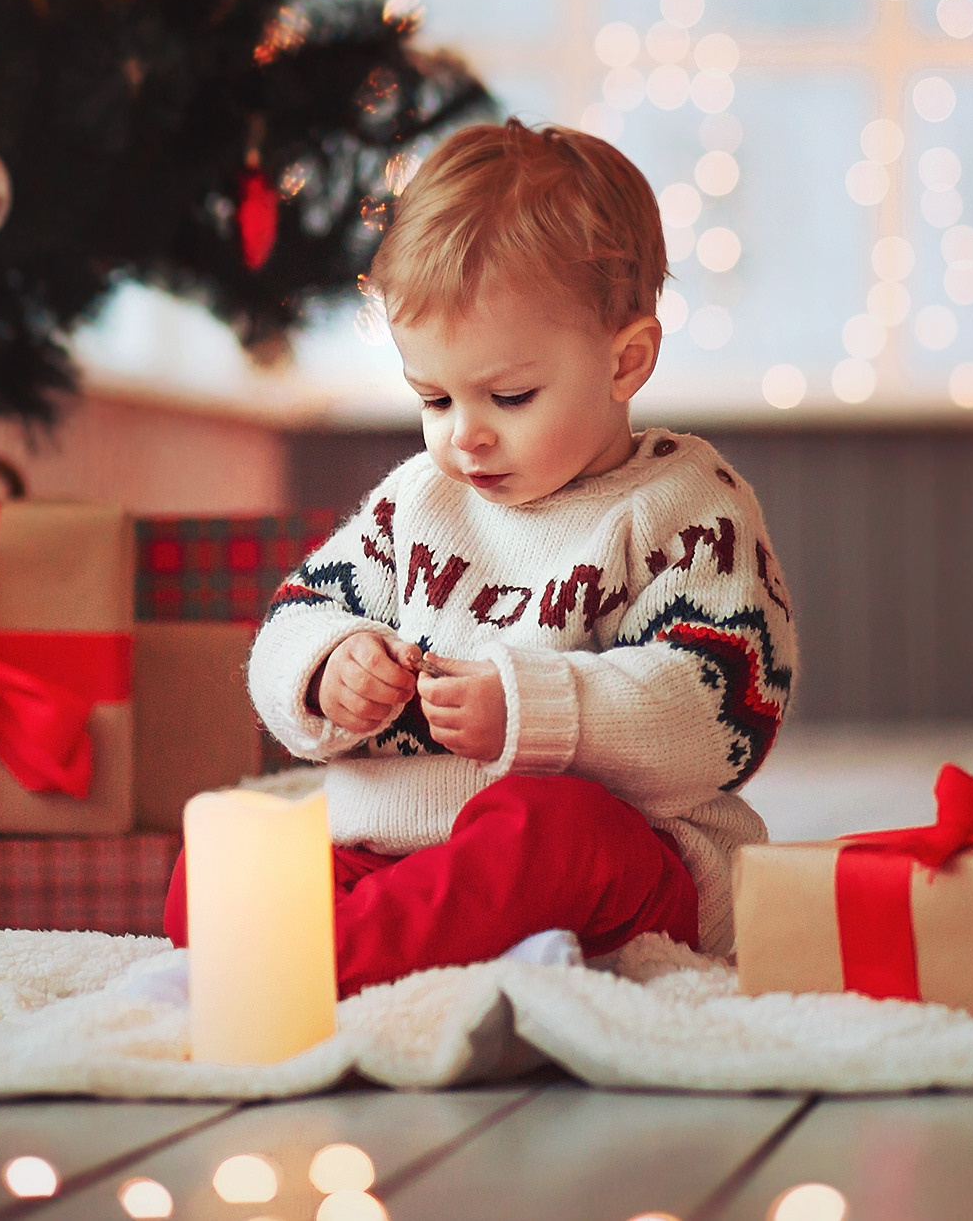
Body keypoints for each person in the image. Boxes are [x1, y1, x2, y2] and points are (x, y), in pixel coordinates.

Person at [161, 119, 799, 997]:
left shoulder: (684, 506)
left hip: (619, 862)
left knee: (547, 831)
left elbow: (722, 709)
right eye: (432, 396)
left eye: (510, 395)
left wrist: (533, 710)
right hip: (392, 853)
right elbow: (292, 619)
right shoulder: (417, 502)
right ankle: (438, 956)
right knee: (225, 851)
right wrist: (326, 667)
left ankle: (294, 971)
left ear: (627, 361)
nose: (465, 435)